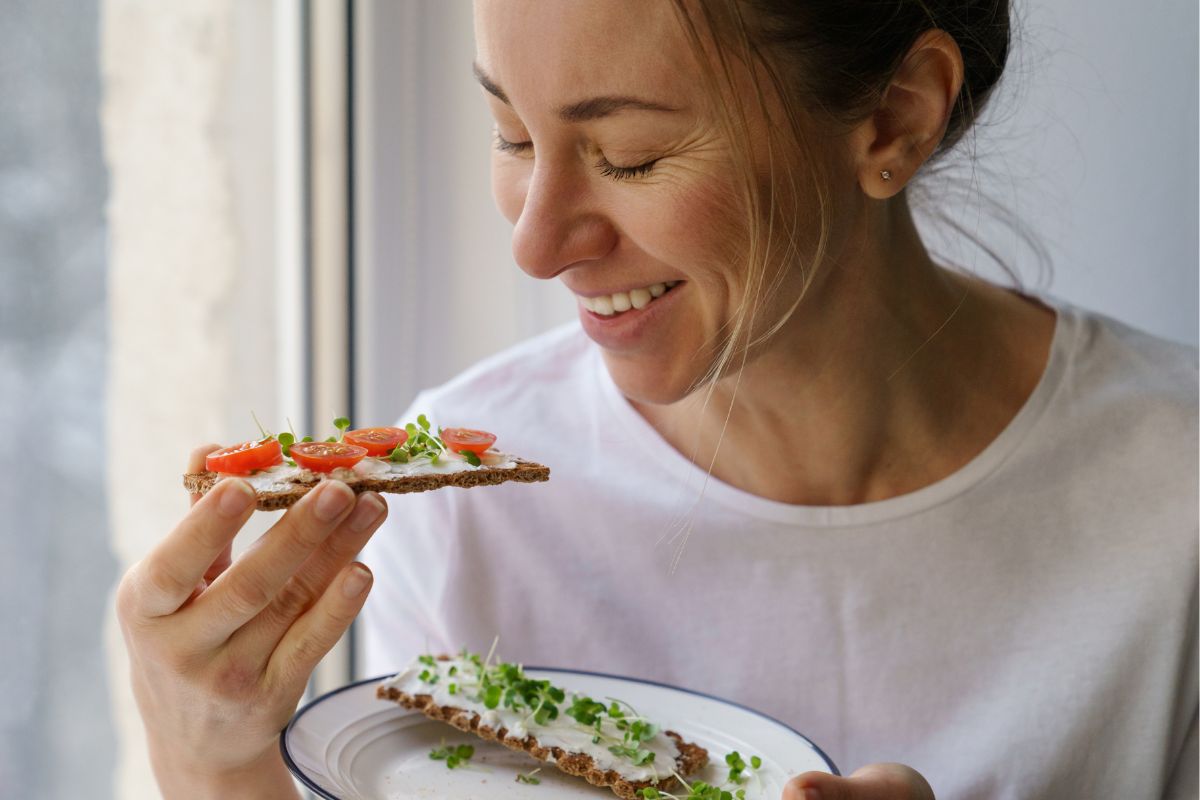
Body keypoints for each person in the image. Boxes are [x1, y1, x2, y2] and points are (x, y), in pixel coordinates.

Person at [116, 1, 1197, 797]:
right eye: (513, 136)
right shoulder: (471, 525)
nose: (535, 245)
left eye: (629, 157)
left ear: (893, 120)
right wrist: (210, 760)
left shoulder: (1173, 498)